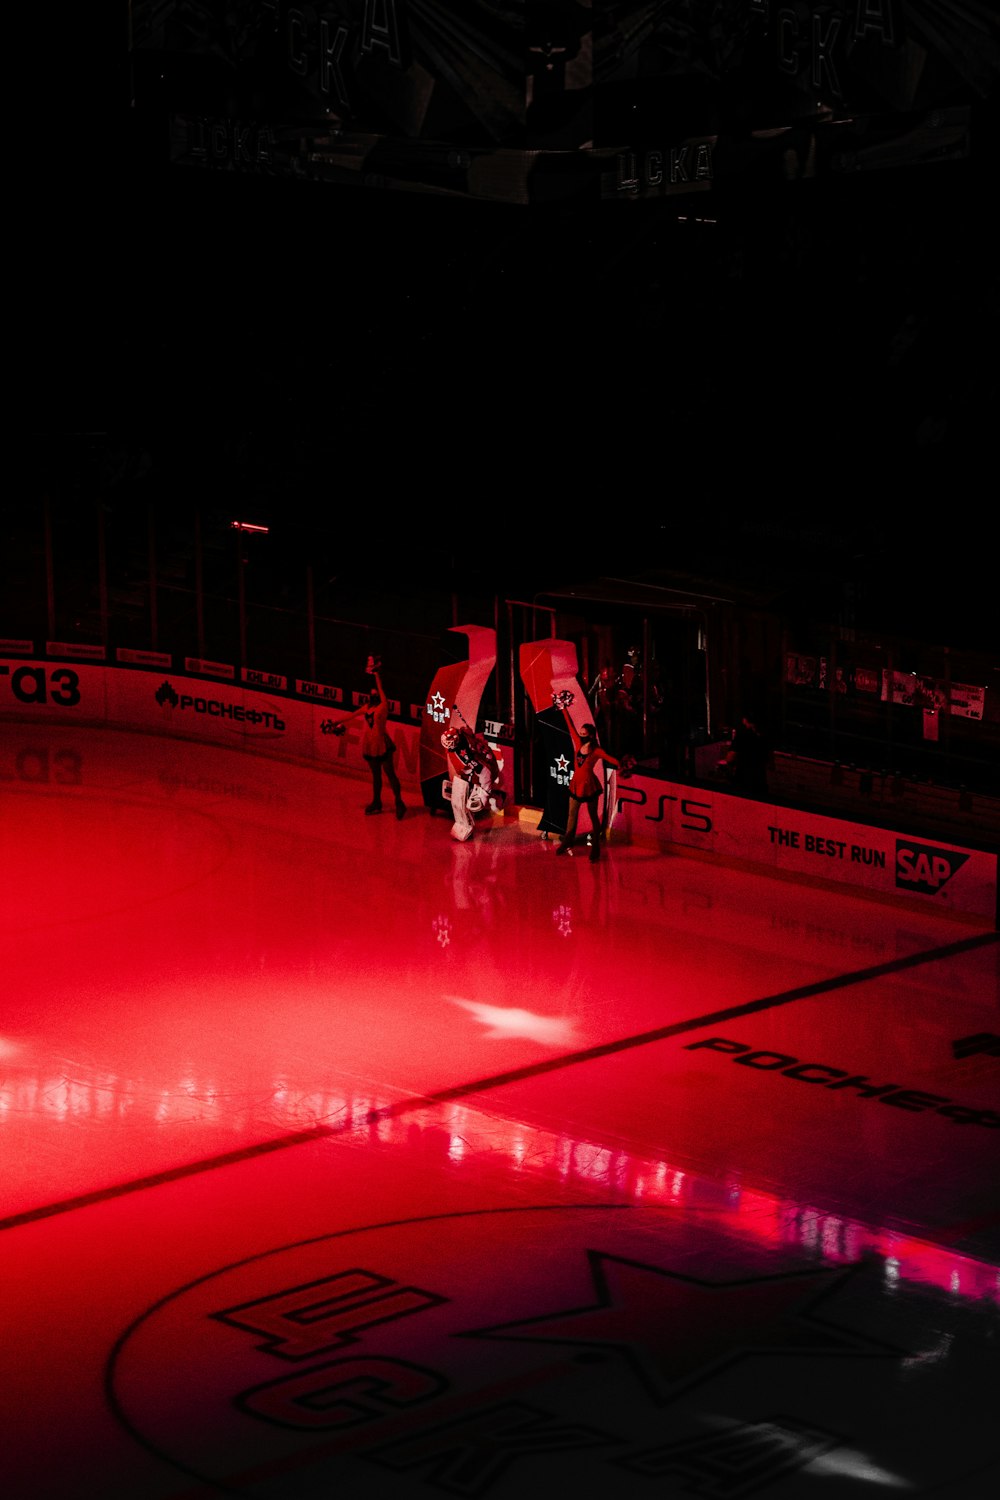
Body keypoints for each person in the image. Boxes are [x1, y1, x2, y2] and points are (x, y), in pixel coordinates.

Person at [331, 656, 406, 818]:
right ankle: (376, 801)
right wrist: (334, 722)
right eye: (371, 694)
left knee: (390, 773)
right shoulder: (367, 708)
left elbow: (381, 691)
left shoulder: (383, 707)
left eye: (375, 695)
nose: (372, 696)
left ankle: (399, 802)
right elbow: (351, 715)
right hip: (371, 745)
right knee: (376, 775)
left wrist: (376, 675)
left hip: (382, 744)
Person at [553, 690, 622, 861]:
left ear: (590, 735)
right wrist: (563, 709)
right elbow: (570, 726)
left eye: (584, 734)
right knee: (571, 815)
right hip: (576, 784)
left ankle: (596, 847)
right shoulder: (577, 743)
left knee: (593, 817)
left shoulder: (597, 751)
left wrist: (623, 764)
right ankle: (567, 842)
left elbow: (612, 759)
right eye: (581, 733)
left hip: (589, 786)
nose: (581, 736)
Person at [441, 723, 503, 842]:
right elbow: (466, 730)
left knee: (468, 797)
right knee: (463, 786)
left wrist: (484, 793)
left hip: (487, 768)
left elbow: (485, 771)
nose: (448, 747)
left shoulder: (466, 755)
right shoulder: (462, 733)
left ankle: (467, 824)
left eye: (450, 744)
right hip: (483, 761)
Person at [724, 710, 772, 797]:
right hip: (760, 781)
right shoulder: (766, 737)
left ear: (745, 720)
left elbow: (730, 758)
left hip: (742, 780)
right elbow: (770, 762)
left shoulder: (742, 735)